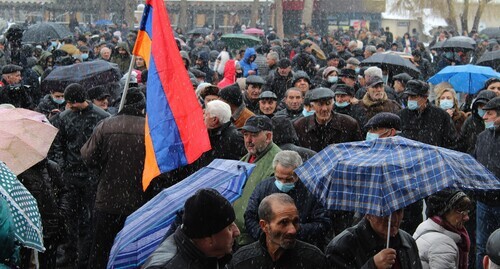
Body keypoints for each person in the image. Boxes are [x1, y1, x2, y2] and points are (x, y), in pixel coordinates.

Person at [80, 88, 147, 268]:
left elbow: (88, 157)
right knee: (133, 252)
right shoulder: (150, 130)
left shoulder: (106, 125)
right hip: (139, 202)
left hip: (107, 199)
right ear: (142, 107)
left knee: (101, 249)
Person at [49, 83, 110, 268]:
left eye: (71, 102)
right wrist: (62, 168)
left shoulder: (102, 118)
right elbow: (57, 145)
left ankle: (84, 257)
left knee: (88, 221)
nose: (69, 106)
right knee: (69, 220)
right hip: (70, 177)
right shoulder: (63, 118)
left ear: (77, 101)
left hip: (91, 178)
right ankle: (69, 255)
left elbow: (104, 149)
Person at [245, 151, 331, 248]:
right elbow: (249, 216)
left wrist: (290, 232)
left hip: (302, 248)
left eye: (288, 179)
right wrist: (266, 236)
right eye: (279, 178)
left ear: (299, 174)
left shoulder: (312, 190)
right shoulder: (263, 187)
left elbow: (322, 224)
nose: (283, 183)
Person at [143, 189, 240, 269]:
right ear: (208, 240)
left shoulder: (219, 254)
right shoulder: (168, 266)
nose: (237, 232)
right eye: (229, 228)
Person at [228, 193, 328, 269]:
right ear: (264, 225)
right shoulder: (242, 260)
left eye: (295, 222)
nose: (292, 230)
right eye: (283, 222)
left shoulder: (313, 259)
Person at [233, 115, 282, 246]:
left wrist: (257, 233)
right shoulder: (246, 158)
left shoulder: (277, 163)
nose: (248, 140)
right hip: (239, 236)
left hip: (254, 239)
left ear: (268, 137)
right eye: (245, 134)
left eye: (253, 135)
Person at [326, 208, 422, 269]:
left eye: (398, 211)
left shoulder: (407, 242)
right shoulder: (342, 248)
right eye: (385, 212)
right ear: (368, 214)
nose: (393, 219)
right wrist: (373, 265)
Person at [413, 189, 472, 269]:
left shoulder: (426, 225)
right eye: (459, 211)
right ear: (443, 213)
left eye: (466, 211)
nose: (466, 217)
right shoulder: (443, 246)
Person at [473, 96, 500, 269]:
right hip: (483, 200)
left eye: (489, 113)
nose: (484, 117)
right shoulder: (483, 137)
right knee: (482, 246)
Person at [294, 87, 362, 152]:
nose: (324, 109)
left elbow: (358, 152)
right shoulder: (300, 126)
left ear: (333, 104)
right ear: (312, 106)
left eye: (328, 104)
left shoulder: (349, 124)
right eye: (320, 104)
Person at [398, 80, 457, 149]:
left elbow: (451, 142)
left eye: (413, 97)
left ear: (425, 98)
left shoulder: (440, 115)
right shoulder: (402, 115)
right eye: (408, 96)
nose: (410, 99)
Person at [459, 90, 497, 154]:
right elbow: (461, 142)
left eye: (485, 106)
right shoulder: (471, 121)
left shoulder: (497, 122)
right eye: (480, 106)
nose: (483, 109)